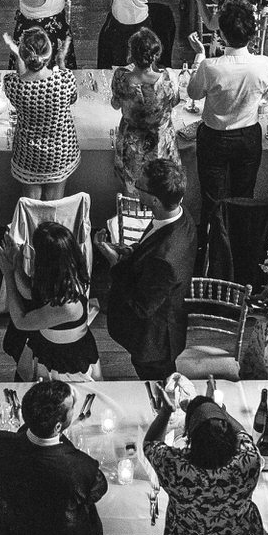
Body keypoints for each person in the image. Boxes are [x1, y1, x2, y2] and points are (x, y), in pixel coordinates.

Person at [141, 376, 266, 535]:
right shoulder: (249, 461)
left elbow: (151, 444)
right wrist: (218, 410)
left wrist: (166, 412)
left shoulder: (176, 468)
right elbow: (243, 434)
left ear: (189, 437)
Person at [0, 379, 108, 535]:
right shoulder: (81, 467)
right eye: (72, 407)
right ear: (58, 426)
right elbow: (98, 490)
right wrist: (63, 442)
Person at [186, 0, 268, 274]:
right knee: (243, 196)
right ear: (252, 34)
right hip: (248, 137)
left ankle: (209, 260)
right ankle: (239, 255)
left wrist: (200, 56)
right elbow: (267, 94)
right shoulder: (262, 63)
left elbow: (192, 94)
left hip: (214, 138)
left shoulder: (211, 66)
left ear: (221, 35)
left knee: (212, 200)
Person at [97, 156, 195, 381]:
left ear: (155, 201)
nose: (134, 189)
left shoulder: (166, 259)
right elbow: (151, 250)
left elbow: (142, 305)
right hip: (165, 318)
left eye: (139, 187)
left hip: (153, 341)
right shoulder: (180, 215)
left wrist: (114, 263)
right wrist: (130, 252)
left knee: (157, 386)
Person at [0, 219, 100, 379]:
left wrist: (8, 274)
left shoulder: (67, 304)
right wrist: (16, 262)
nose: (34, 255)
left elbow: (21, 321)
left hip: (63, 361)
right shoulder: (65, 270)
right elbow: (31, 293)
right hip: (48, 344)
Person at [2, 27, 80, 201]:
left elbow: (24, 78)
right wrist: (61, 62)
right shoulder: (64, 80)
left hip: (28, 153)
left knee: (31, 206)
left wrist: (17, 55)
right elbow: (72, 99)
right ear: (49, 53)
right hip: (61, 152)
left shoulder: (12, 84)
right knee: (54, 204)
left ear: (23, 55)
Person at [111, 28, 181, 193]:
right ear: (156, 54)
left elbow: (115, 104)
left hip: (132, 147)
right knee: (162, 190)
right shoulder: (169, 78)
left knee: (133, 190)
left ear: (131, 54)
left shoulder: (121, 78)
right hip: (162, 145)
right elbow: (175, 101)